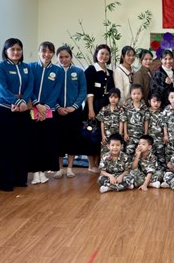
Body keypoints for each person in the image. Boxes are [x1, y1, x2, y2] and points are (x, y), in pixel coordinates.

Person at [0, 38, 34, 192]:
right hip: (4, 111)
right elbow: (2, 89)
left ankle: (20, 179)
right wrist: (17, 101)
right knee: (6, 146)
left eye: (18, 49)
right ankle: (6, 183)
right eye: (12, 49)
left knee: (22, 145)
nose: (16, 52)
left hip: (22, 111)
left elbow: (30, 86)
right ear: (6, 51)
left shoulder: (26, 67)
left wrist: (23, 102)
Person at [29, 41, 64, 185]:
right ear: (39, 52)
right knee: (33, 142)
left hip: (49, 111)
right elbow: (29, 88)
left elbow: (56, 91)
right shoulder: (30, 67)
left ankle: (42, 172)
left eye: (50, 52)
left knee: (46, 142)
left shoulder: (58, 71)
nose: (46, 54)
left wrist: (46, 108)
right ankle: (34, 173)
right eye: (44, 51)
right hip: (32, 109)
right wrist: (37, 104)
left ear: (53, 54)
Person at [54, 45, 87, 179]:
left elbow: (83, 91)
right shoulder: (54, 72)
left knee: (73, 139)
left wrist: (74, 106)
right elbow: (50, 92)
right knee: (58, 140)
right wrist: (57, 107)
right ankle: (60, 168)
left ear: (71, 57)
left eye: (66, 57)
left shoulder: (79, 72)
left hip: (74, 112)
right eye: (61, 57)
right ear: (57, 58)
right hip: (57, 112)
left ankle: (70, 168)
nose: (64, 59)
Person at [83, 44, 115, 173]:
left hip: (105, 109)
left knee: (101, 137)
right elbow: (89, 91)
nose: (104, 56)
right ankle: (91, 165)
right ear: (96, 55)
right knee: (90, 136)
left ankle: (97, 164)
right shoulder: (91, 70)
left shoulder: (110, 72)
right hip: (93, 107)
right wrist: (91, 109)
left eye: (107, 54)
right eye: (101, 53)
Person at [97, 88, 126, 154]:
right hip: (106, 137)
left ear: (119, 98)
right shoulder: (104, 109)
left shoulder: (121, 109)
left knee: (117, 154)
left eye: (115, 97)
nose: (113, 99)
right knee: (105, 154)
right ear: (108, 98)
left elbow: (121, 122)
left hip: (116, 136)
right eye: (111, 97)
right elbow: (102, 122)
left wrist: (120, 135)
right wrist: (103, 135)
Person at [124, 84, 147, 155]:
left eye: (138, 94)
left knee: (140, 154)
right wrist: (125, 133)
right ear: (130, 95)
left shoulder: (144, 108)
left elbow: (146, 121)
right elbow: (125, 120)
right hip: (130, 136)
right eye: (134, 94)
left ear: (142, 95)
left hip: (141, 136)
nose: (136, 96)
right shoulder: (127, 107)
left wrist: (145, 134)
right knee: (129, 153)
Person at [145, 92, 165, 167]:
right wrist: (146, 134)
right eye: (154, 101)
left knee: (161, 155)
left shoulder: (162, 112)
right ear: (149, 101)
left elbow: (164, 125)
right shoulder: (147, 111)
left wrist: (165, 135)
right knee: (150, 154)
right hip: (150, 137)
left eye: (158, 102)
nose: (156, 104)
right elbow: (146, 123)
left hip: (159, 138)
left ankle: (162, 168)